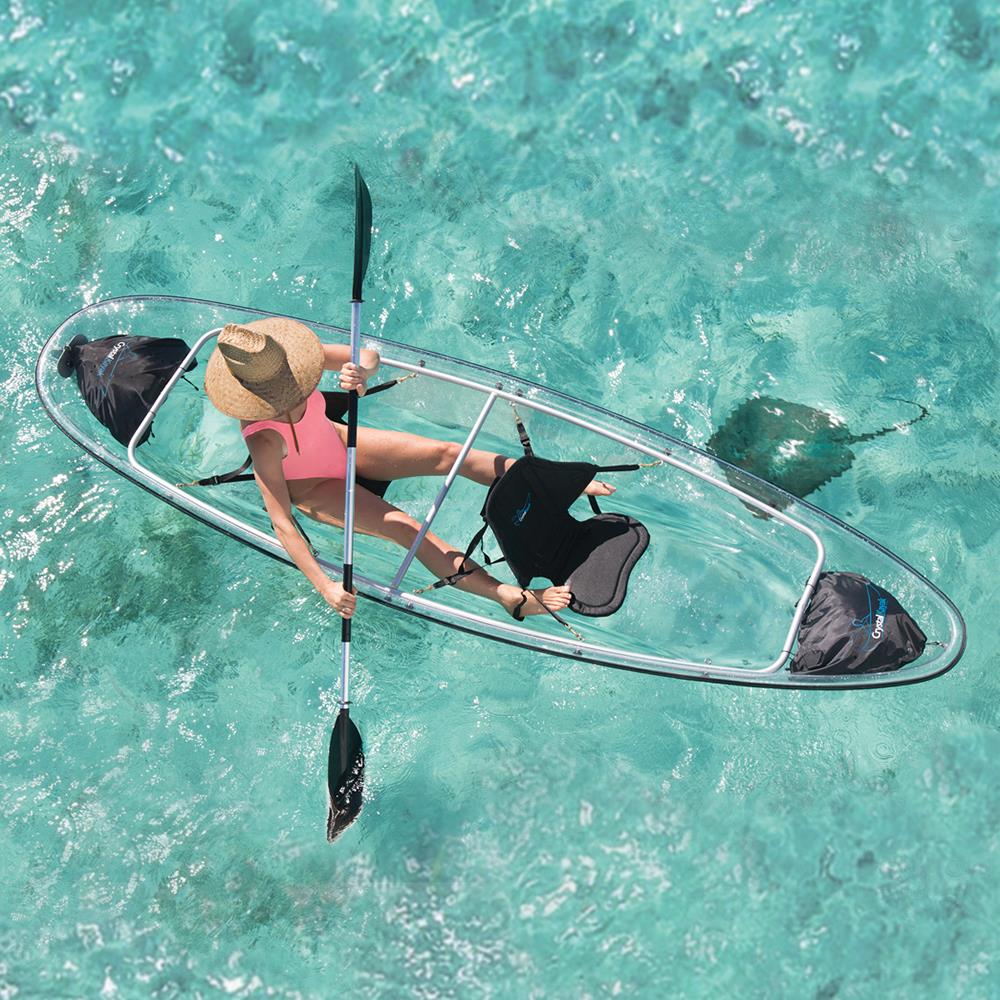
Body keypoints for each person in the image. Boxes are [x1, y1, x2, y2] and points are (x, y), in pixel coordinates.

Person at [203, 318, 615, 620]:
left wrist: (362, 372)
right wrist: (325, 586)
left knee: (447, 452)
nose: (298, 392)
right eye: (284, 396)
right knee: (404, 526)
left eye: (296, 384)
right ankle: (509, 596)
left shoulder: (297, 362)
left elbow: (366, 353)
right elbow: (282, 522)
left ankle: (554, 483)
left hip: (340, 441)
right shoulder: (262, 439)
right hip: (313, 485)